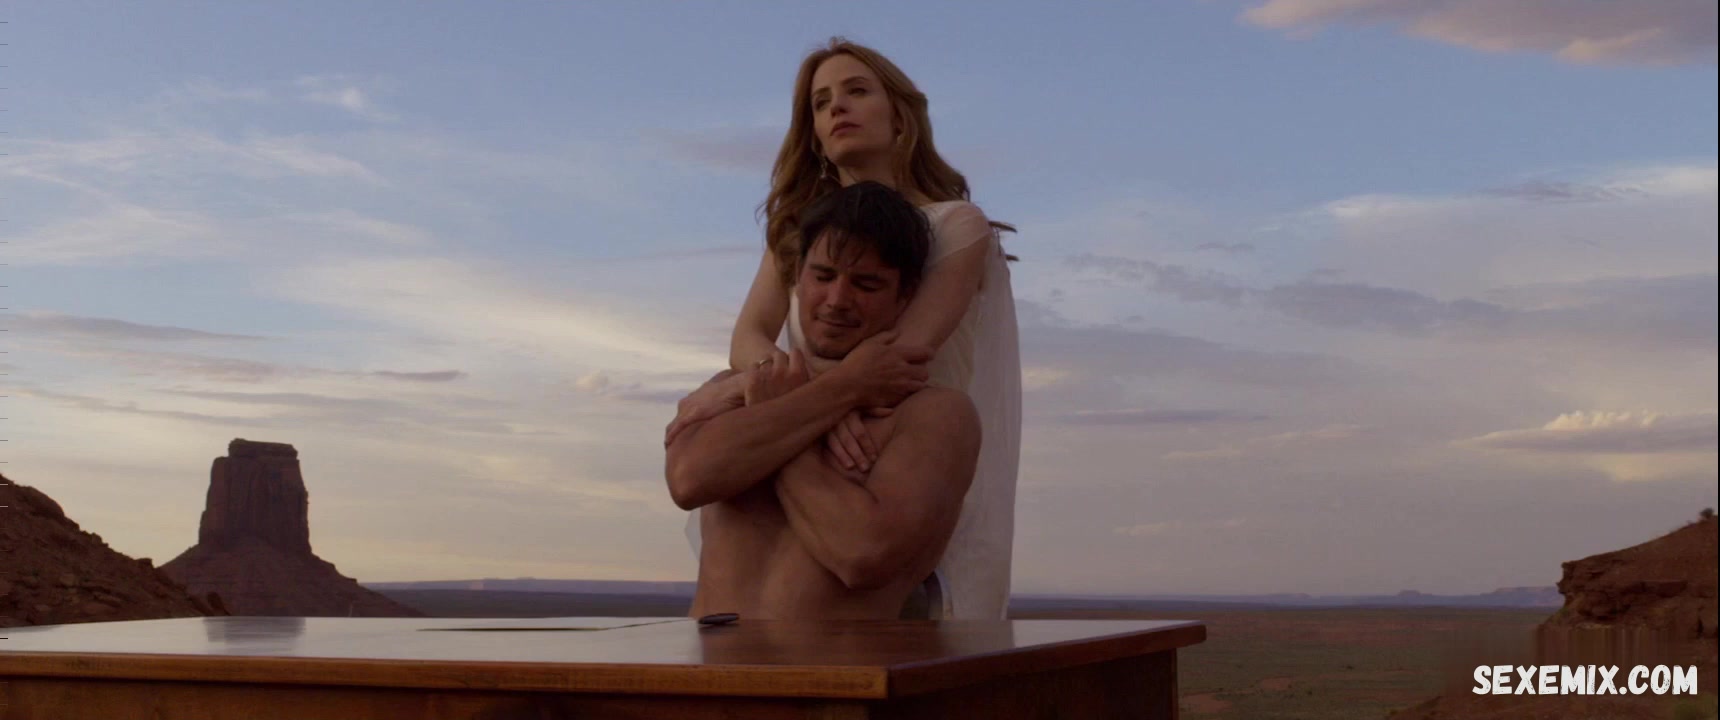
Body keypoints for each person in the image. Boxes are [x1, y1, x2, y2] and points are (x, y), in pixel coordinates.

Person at [671, 37, 1024, 620]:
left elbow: (896, 356)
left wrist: (751, 393)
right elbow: (748, 338)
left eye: (857, 91)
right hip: (811, 422)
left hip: (898, 444)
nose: (837, 106)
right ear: (813, 133)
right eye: (821, 102)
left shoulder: (956, 225)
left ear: (901, 116)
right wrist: (796, 399)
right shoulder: (800, 231)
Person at [666, 181, 981, 620]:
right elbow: (688, 480)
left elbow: (862, 554)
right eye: (823, 276)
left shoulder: (936, 416)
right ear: (797, 276)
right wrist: (835, 393)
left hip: (837, 664)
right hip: (710, 661)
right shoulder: (734, 387)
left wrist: (792, 416)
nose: (837, 300)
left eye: (866, 284)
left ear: (904, 295)